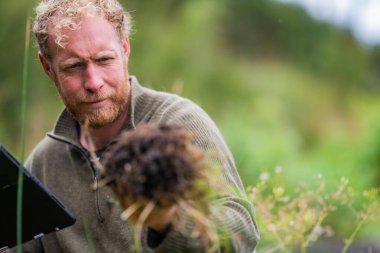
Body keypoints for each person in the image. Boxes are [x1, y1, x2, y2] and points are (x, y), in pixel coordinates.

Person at [18, 0, 259, 252]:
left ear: (125, 49)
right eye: (74, 67)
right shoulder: (43, 164)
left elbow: (242, 231)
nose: (93, 82)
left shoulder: (179, 125)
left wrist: (169, 221)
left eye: (104, 59)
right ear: (48, 68)